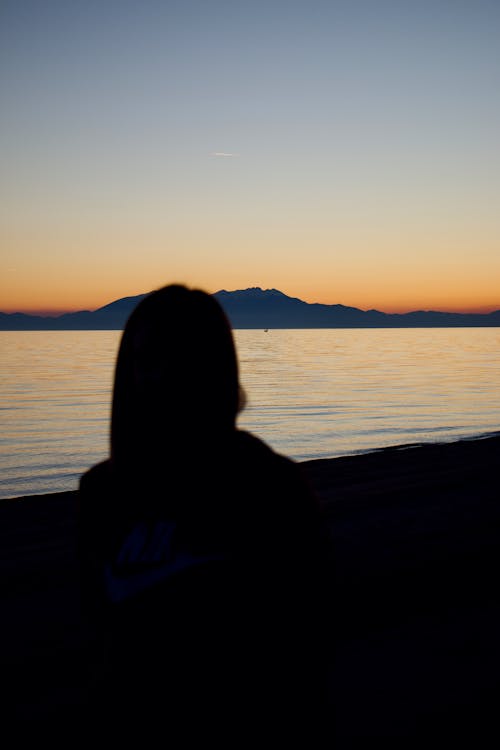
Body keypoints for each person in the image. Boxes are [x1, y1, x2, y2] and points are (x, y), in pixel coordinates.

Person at [78, 284, 329, 741]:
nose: (164, 376)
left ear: (216, 370)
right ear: (128, 374)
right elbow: (96, 638)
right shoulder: (102, 493)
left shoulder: (270, 488)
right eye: (148, 360)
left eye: (185, 358)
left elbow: (305, 645)